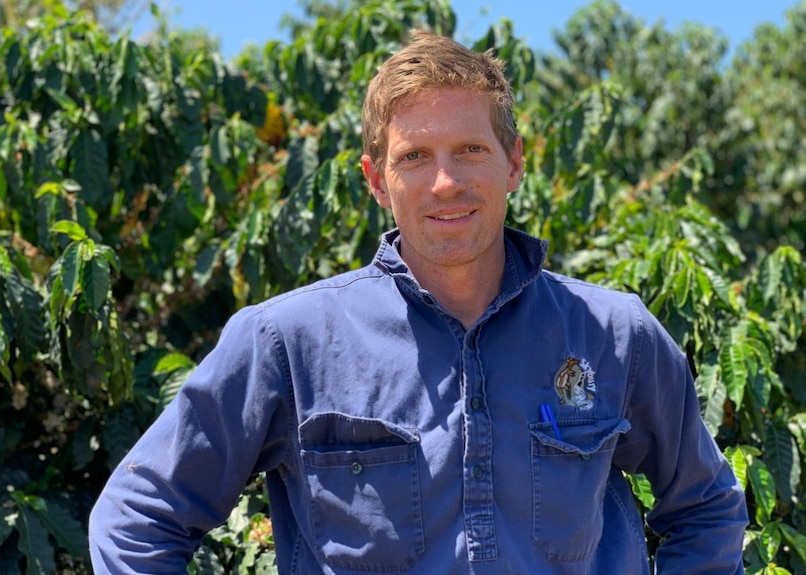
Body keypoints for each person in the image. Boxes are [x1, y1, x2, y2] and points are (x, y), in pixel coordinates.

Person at [89, 31, 748, 574]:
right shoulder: (287, 342)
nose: (445, 182)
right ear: (377, 179)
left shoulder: (614, 333)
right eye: (414, 157)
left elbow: (707, 506)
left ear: (514, 164)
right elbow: (136, 516)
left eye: (470, 150)